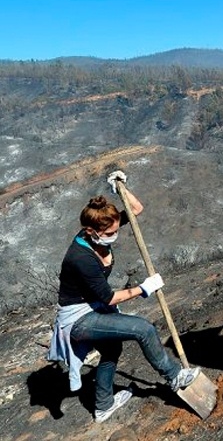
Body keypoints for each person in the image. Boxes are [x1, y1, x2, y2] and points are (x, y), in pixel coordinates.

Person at [48, 170, 200, 423]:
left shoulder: (103, 228)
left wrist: (120, 188)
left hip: (93, 308)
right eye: (108, 234)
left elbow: (137, 209)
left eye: (115, 230)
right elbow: (108, 298)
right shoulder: (81, 257)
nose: (113, 236)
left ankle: (103, 406)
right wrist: (144, 288)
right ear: (90, 231)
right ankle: (175, 376)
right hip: (79, 319)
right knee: (143, 329)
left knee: (110, 351)